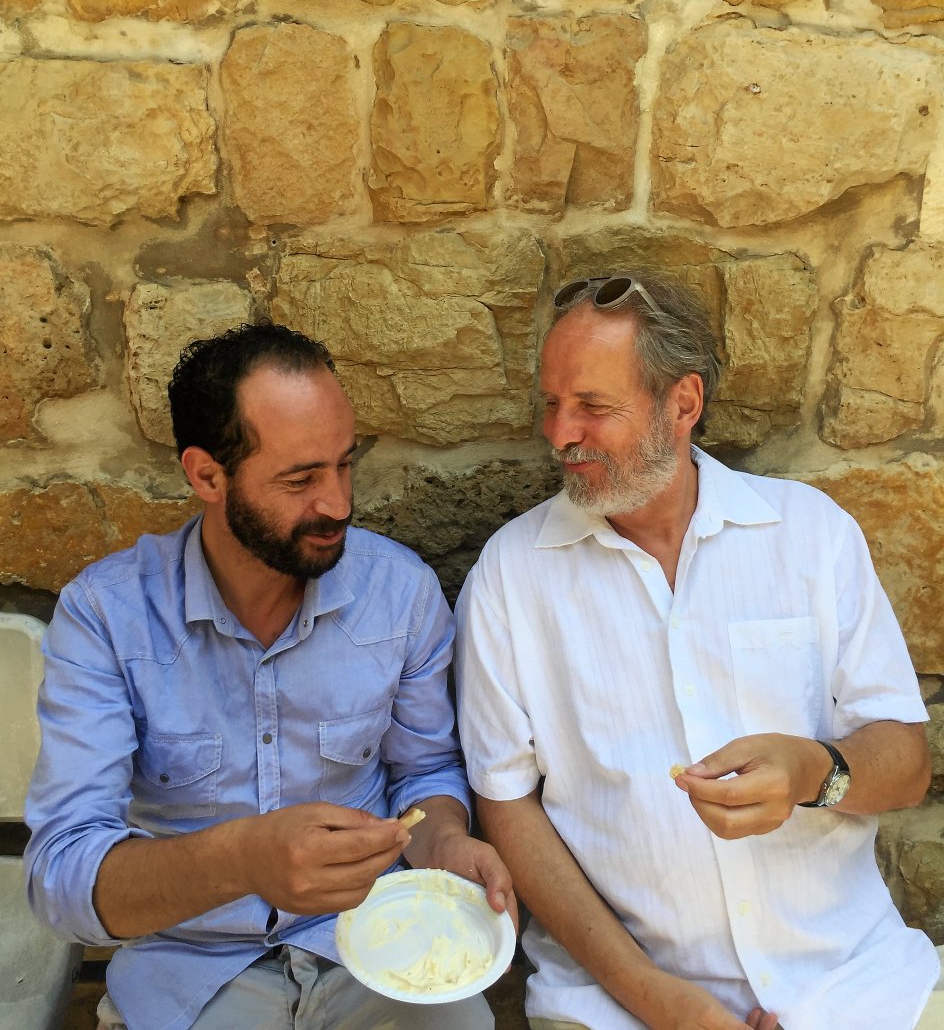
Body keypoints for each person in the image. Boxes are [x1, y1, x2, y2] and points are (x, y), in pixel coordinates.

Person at [455, 270, 940, 1030]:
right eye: (551, 404)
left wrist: (816, 770)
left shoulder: (811, 535)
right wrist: (664, 1003)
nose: (559, 434)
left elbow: (907, 763)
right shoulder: (510, 579)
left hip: (854, 985)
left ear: (683, 404)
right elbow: (507, 807)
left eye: (593, 406)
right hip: (619, 1006)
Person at [25, 322, 513, 1030]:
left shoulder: (397, 593)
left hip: (381, 949)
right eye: (300, 478)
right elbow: (61, 877)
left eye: (345, 464)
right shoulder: (108, 616)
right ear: (206, 475)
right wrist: (244, 860)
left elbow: (424, 772)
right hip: (188, 970)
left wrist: (446, 846)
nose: (339, 503)